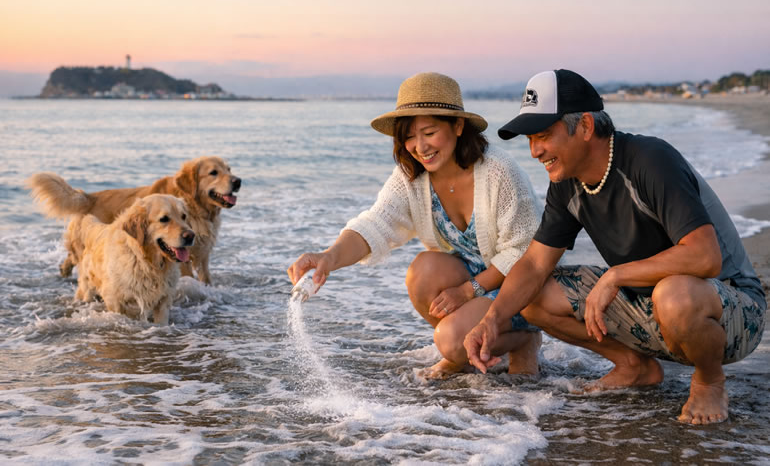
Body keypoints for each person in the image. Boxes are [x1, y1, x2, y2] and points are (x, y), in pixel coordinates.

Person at [464, 69, 766, 424]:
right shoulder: (567, 183)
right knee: (535, 294)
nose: (535, 151)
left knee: (673, 295)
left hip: (729, 307)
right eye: (530, 139)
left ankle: (709, 380)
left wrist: (615, 276)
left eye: (543, 135)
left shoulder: (650, 160)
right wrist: (492, 319)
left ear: (586, 126)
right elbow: (534, 264)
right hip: (647, 303)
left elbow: (705, 256)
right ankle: (633, 366)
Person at [288, 72, 543, 379]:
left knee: (449, 339)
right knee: (422, 272)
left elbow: (526, 252)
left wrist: (468, 290)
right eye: (409, 136)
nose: (419, 146)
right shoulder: (412, 176)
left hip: (519, 287)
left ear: (458, 126)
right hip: (471, 279)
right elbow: (376, 223)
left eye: (429, 132)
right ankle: (464, 349)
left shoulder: (500, 173)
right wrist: (328, 257)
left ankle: (522, 340)